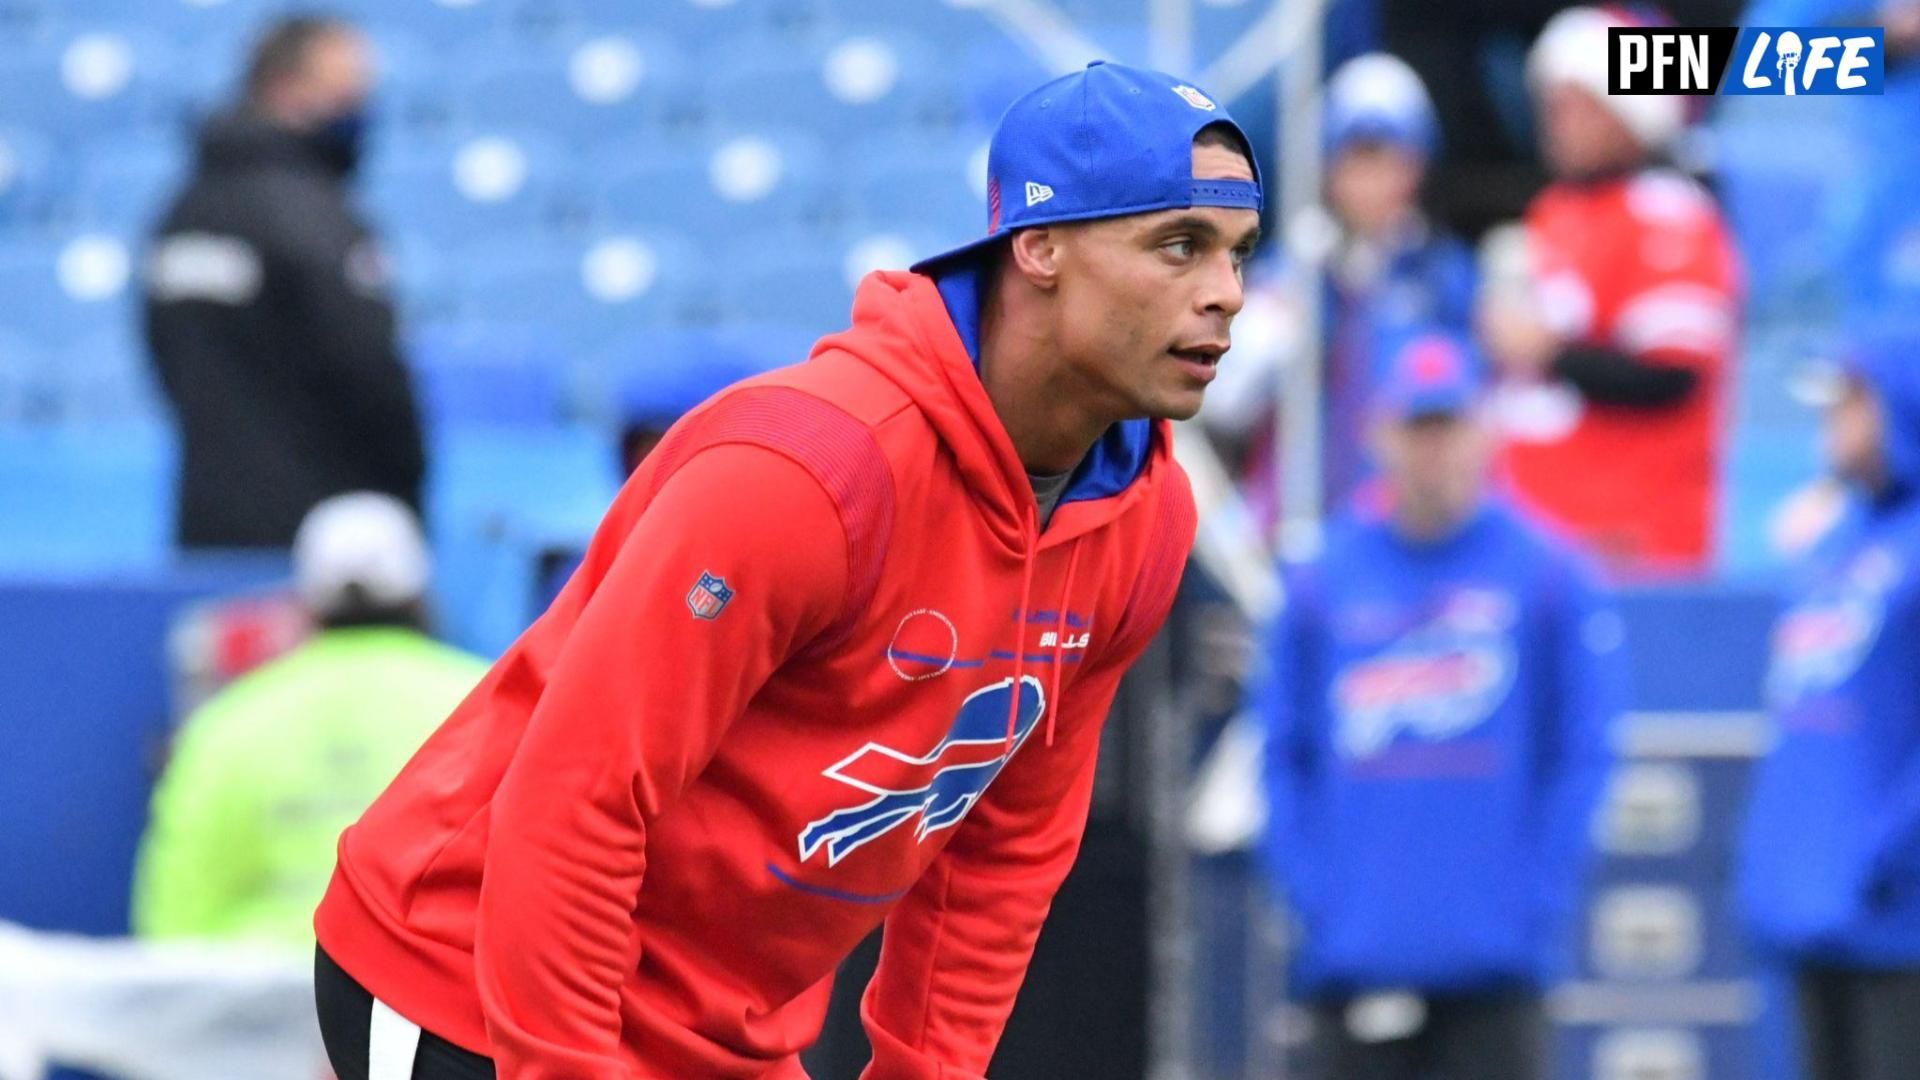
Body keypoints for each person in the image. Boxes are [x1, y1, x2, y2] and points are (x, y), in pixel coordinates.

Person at [311, 61, 1262, 1079]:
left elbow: (1002, 856)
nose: (1227, 295)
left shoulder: (1147, 518)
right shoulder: (813, 471)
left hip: (717, 1029)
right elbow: (576, 797)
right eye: (1179, 246)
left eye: (1240, 254)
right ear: (1037, 246)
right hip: (466, 980)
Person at [1256, 332, 1621, 1080]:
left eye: (1450, 426)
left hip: (1497, 973)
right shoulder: (1321, 580)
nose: (1434, 451)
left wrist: (1532, 896)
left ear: (1484, 431)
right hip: (1352, 963)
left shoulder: (1547, 574)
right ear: (1378, 433)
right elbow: (1279, 755)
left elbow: (1582, 752)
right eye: (1417, 427)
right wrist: (1319, 898)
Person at [132, 493, 486, 952]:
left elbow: (172, 923)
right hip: (426, 1001)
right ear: (421, 595)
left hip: (251, 1008)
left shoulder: (226, 724)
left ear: (305, 605)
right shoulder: (487, 704)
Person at [144, 16, 424, 550]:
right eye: (346, 93)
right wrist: (405, 499)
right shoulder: (315, 218)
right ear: (286, 89)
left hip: (206, 523)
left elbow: (162, 361)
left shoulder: (179, 213)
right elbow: (371, 374)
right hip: (327, 543)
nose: (359, 111)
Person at [1482, 5, 1741, 575]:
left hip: (1631, 539)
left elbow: (1672, 374)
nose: (1557, 123)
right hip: (1539, 537)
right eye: (1551, 106)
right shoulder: (1553, 211)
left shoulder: (1668, 211)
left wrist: (1547, 351)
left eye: (1577, 106)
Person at [1738, 331, 1920, 1080]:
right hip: (1813, 907)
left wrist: (1886, 853)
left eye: (1850, 398)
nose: (1830, 417)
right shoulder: (1828, 547)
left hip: (1899, 917)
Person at [1204, 52, 1475, 524]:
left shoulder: (1445, 274)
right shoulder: (1289, 273)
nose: (1374, 181)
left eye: (1391, 159)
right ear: (1329, 170)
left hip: (1416, 523)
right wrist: (1300, 311)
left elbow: (1473, 406)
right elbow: (1225, 403)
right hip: (1302, 524)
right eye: (1357, 159)